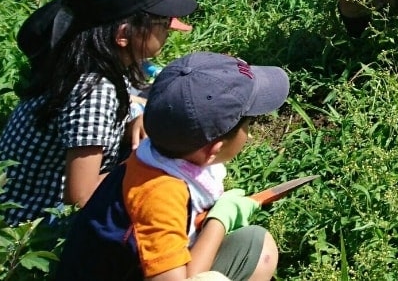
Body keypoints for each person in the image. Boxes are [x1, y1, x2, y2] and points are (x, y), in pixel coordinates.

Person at [0, 0, 199, 225]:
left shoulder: (83, 59)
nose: (167, 30)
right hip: (35, 227)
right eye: (161, 23)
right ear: (123, 34)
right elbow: (80, 196)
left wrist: (136, 121)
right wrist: (156, 169)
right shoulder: (93, 91)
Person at [56, 52, 290, 281]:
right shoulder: (160, 196)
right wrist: (219, 221)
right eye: (247, 124)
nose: (248, 135)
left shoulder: (156, 152)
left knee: (256, 246)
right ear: (213, 150)